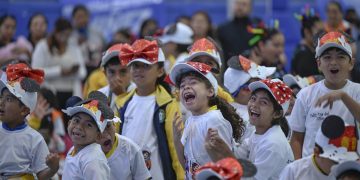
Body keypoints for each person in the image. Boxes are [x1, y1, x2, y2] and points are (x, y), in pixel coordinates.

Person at [116, 39, 184, 180]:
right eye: (135, 65)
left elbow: (175, 147)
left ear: (160, 71)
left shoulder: (168, 104)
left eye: (146, 66)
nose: (138, 70)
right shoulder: (122, 104)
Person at [289, 31, 360, 160]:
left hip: (347, 173)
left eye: (340, 57)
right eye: (327, 57)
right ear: (319, 64)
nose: (333, 62)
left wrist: (344, 96)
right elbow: (296, 139)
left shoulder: (357, 91)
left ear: (351, 64)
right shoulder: (305, 95)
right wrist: (299, 168)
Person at [170, 62, 244, 179]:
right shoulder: (190, 120)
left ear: (210, 91)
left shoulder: (214, 119)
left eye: (193, 82)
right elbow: (186, 166)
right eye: (182, 86)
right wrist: (176, 139)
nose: (186, 87)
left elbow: (228, 167)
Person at [0, 63, 60, 179]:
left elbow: (41, 174)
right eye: (1, 97)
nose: (1, 102)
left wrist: (53, 169)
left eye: (8, 99)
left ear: (24, 110)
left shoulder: (34, 139)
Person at [280, 115, 359, 180]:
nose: (342, 166)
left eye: (348, 161)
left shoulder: (351, 175)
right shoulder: (294, 172)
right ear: (317, 152)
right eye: (336, 162)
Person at [32, 17, 86, 108]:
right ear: (55, 32)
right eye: (62, 34)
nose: (64, 38)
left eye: (68, 35)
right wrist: (59, 71)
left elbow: (83, 73)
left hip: (71, 93)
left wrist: (72, 72)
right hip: (49, 93)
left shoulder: (74, 47)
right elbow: (35, 72)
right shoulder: (43, 46)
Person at [62, 91, 112, 179]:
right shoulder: (74, 149)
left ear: (98, 136)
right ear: (69, 123)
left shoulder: (93, 160)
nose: (79, 127)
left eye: (88, 125)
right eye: (76, 120)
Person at [224, 55, 275, 140]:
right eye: (259, 84)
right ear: (245, 90)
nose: (266, 86)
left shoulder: (227, 109)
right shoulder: (253, 118)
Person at [217, 0, 261, 67]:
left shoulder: (257, 27)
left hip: (253, 69)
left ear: (250, 8)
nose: (240, 7)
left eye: (244, 4)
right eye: (237, 3)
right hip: (229, 70)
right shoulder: (223, 29)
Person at [96, 43, 135, 112]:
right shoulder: (99, 95)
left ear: (132, 72)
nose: (117, 78)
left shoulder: (140, 95)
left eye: (123, 72)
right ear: (105, 73)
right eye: (112, 72)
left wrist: (122, 95)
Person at [70, 4, 105, 74]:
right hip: (79, 71)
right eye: (79, 17)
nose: (82, 20)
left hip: (98, 70)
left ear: (88, 17)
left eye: (84, 16)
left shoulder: (97, 33)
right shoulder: (70, 36)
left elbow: (104, 50)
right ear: (73, 19)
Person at [292, 6, 324, 76]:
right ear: (307, 32)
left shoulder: (311, 51)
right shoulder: (303, 56)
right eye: (320, 32)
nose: (323, 36)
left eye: (323, 32)